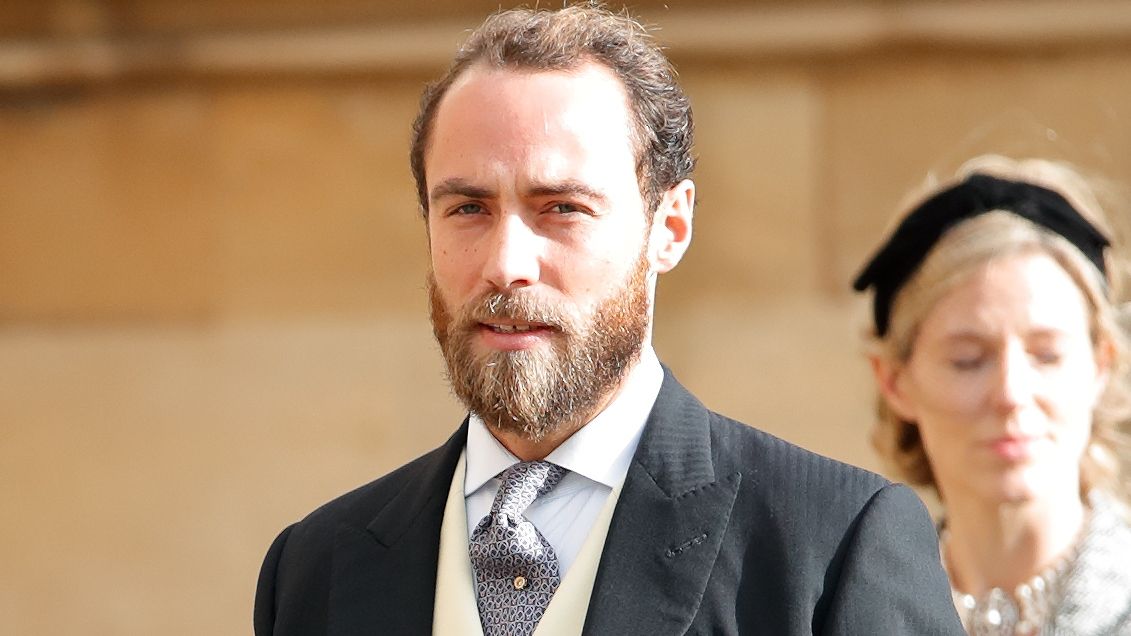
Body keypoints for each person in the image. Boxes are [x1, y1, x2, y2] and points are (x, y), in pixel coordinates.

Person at [254, 5, 963, 635]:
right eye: (467, 208)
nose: (507, 264)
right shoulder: (314, 570)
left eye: (561, 208)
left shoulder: (832, 543)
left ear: (670, 226)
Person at [854, 155, 1131, 635]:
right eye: (968, 360)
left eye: (1047, 355)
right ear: (895, 380)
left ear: (1100, 365)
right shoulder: (851, 608)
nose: (1011, 393)